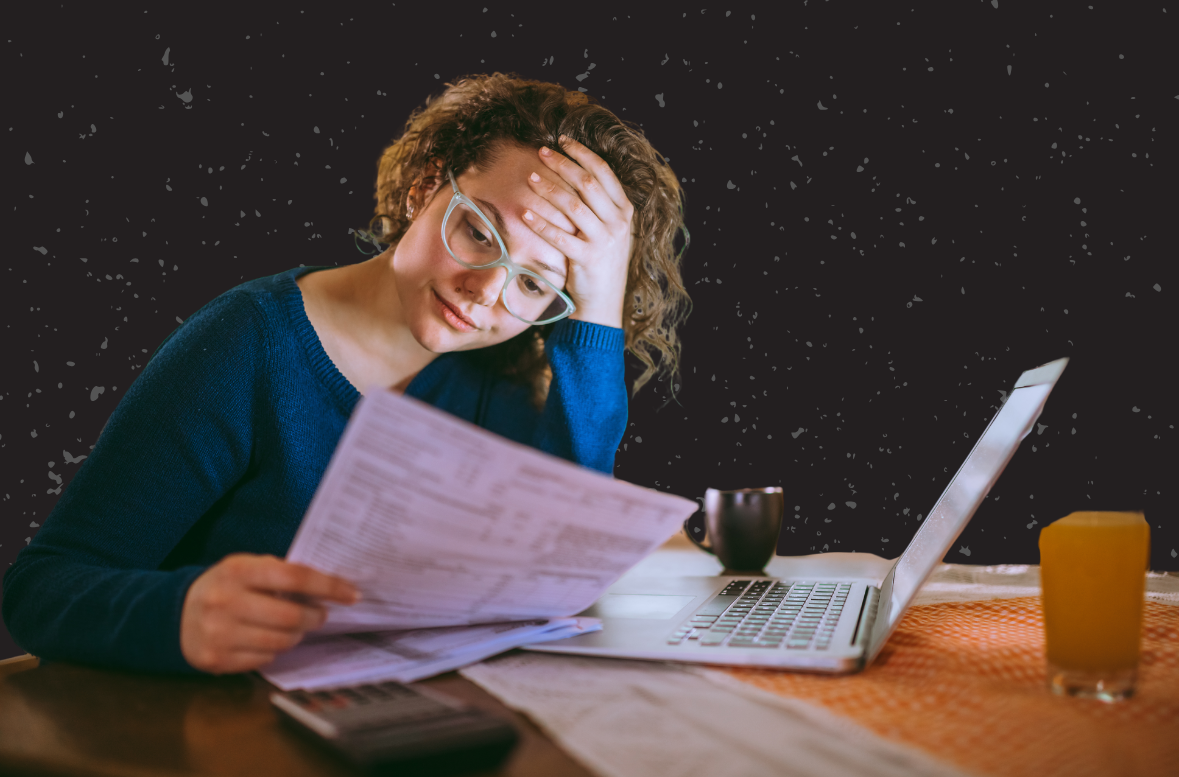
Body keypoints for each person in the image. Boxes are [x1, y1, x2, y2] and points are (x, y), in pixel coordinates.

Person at [2, 72, 691, 677]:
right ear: (428, 186)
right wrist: (179, 614)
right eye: (479, 232)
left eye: (536, 283)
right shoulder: (247, 343)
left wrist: (599, 303)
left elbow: (558, 572)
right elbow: (40, 590)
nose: (486, 292)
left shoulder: (504, 375)